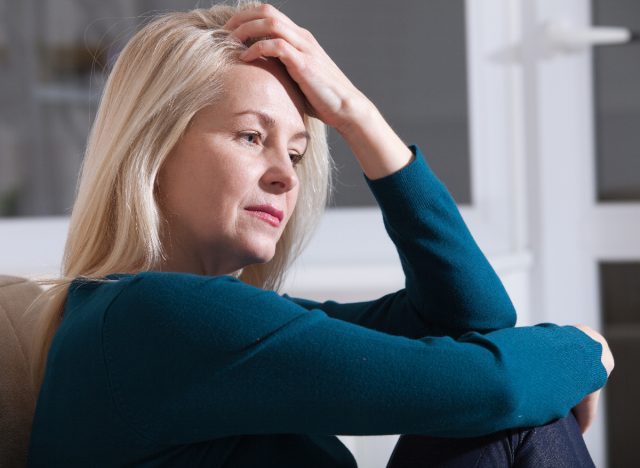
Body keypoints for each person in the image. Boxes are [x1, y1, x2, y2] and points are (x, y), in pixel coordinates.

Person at [26, 2, 613, 467]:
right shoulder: (157, 319)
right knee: (521, 404)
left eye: (299, 152)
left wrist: (355, 113)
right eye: (251, 137)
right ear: (153, 147)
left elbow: (473, 318)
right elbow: (494, 388)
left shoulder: (182, 321)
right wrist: (586, 346)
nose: (286, 174)